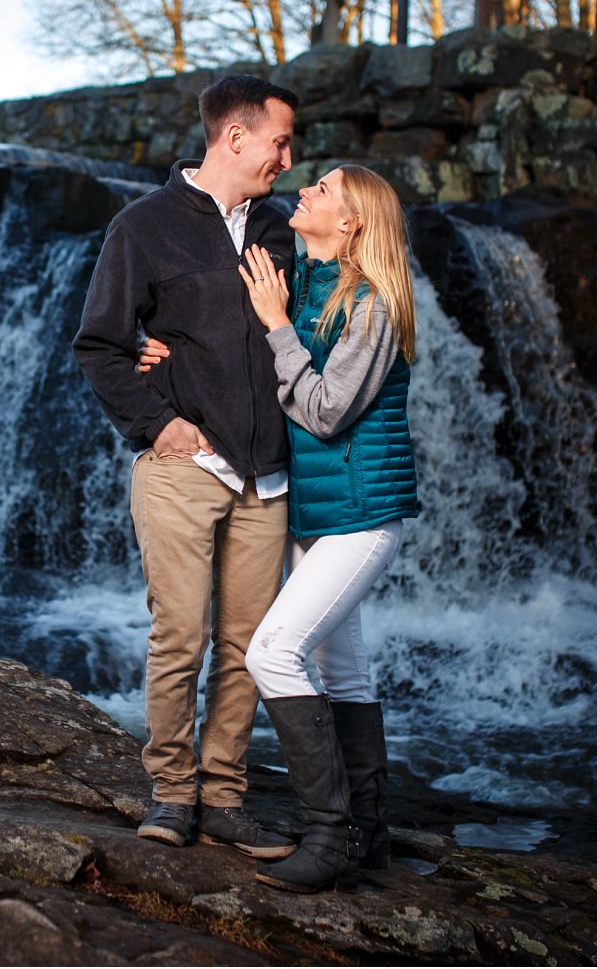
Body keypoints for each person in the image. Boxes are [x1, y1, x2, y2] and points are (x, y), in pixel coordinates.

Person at [139, 164, 419, 893]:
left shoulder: (374, 306)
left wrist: (275, 323)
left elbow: (324, 409)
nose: (304, 189)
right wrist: (159, 353)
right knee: (344, 669)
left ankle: (330, 834)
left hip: (359, 515)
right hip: (313, 512)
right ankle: (370, 835)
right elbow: (241, 357)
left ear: (353, 220)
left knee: (270, 652)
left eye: (323, 189)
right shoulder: (306, 279)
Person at [71, 74, 301, 859]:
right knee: (180, 635)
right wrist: (158, 423)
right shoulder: (142, 227)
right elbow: (99, 343)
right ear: (233, 137)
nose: (287, 156)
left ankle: (226, 796)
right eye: (279, 140)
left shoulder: (279, 229)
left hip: (266, 473)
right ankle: (171, 792)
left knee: (248, 645)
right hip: (183, 465)